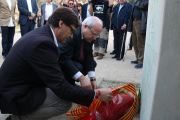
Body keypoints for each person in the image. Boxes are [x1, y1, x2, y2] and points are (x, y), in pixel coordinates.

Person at [0, 7, 113, 120]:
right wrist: (96, 94)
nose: (71, 36)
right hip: (14, 94)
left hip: (20, 86)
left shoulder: (43, 34)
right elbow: (61, 88)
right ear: (61, 23)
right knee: (63, 103)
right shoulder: (44, 44)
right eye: (72, 31)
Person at [58, 16, 102, 89]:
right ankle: (66, 85)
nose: (94, 38)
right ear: (85, 27)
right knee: (78, 67)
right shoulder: (72, 34)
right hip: (61, 62)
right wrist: (82, 78)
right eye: (94, 34)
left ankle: (71, 83)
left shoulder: (90, 36)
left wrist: (92, 78)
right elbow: (64, 59)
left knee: (92, 64)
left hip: (74, 59)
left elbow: (88, 55)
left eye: (97, 36)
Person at [127, 0, 148, 68]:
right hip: (134, 22)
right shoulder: (137, 1)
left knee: (140, 42)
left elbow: (144, 5)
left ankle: (141, 61)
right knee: (135, 42)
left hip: (140, 22)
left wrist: (136, 2)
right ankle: (137, 58)